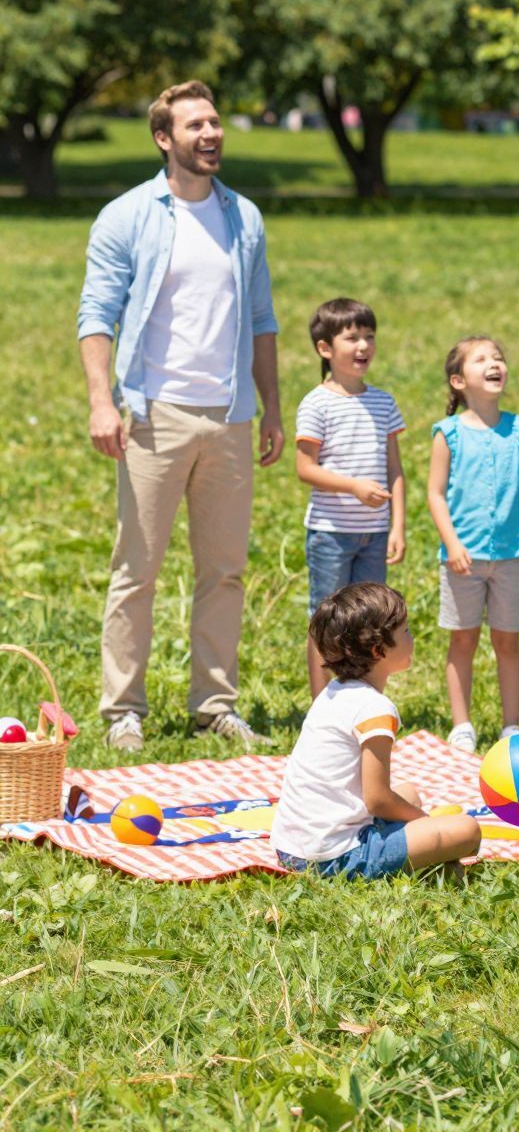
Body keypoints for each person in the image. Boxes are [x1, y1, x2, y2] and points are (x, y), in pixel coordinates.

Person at [77, 81, 283, 751]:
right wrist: (102, 401)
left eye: (215, 121)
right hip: (152, 415)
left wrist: (271, 408)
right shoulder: (127, 215)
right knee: (138, 566)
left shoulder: (243, 217)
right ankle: (122, 711)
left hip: (228, 417)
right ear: (165, 138)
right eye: (195, 124)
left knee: (223, 569)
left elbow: (261, 321)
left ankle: (214, 703)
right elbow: (95, 315)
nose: (211, 134)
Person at [271, 583, 481, 879]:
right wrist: (424, 822)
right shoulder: (375, 709)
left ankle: (421, 850)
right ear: (378, 650)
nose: (412, 638)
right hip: (333, 856)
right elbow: (378, 799)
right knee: (466, 829)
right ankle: (428, 861)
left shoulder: (333, 691)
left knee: (410, 793)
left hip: (292, 847)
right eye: (405, 631)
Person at [426, 336, 519, 753]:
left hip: (512, 555)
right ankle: (462, 726)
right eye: (482, 360)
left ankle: (511, 725)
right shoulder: (448, 434)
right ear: (459, 380)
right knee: (462, 639)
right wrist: (452, 543)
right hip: (463, 558)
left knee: (508, 641)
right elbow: (435, 494)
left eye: (498, 357)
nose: (494, 363)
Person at [296, 298, 407, 697]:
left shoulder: (384, 402)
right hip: (331, 534)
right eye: (352, 337)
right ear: (325, 348)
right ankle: (320, 704)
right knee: (324, 618)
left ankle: (364, 699)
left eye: (369, 336)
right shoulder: (316, 403)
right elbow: (305, 468)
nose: (363, 346)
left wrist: (397, 526)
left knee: (372, 620)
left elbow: (395, 469)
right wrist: (354, 486)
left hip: (374, 535)